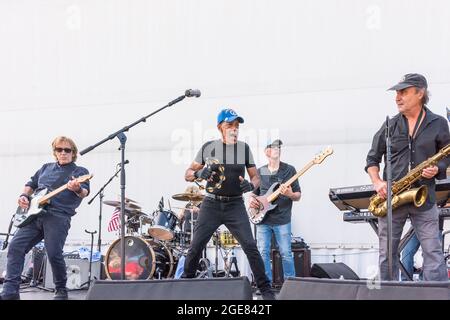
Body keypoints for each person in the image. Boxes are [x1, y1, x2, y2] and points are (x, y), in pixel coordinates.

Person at [181, 108, 275, 300]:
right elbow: (188, 173)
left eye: (237, 126)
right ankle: (185, 284)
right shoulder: (209, 147)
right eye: (230, 125)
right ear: (220, 127)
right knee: (196, 246)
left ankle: (266, 291)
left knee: (250, 246)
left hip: (235, 206)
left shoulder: (244, 149)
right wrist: (199, 174)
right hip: (211, 204)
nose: (234, 129)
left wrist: (251, 185)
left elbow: (255, 176)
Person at [365, 73, 450, 281]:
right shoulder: (389, 125)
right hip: (393, 198)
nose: (397, 97)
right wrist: (377, 182)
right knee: (387, 254)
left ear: (420, 93)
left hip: (424, 196)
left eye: (403, 92)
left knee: (433, 252)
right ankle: (387, 295)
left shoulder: (438, 123)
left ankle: (436, 294)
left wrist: (437, 168)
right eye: (396, 93)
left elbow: (446, 155)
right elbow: (372, 159)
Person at [0, 136, 90, 300]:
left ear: (73, 153)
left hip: (58, 216)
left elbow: (84, 192)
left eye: (67, 150)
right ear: (55, 152)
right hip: (34, 215)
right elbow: (31, 184)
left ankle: (61, 290)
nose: (63, 153)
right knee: (15, 246)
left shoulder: (79, 172)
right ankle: (10, 291)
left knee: (54, 253)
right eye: (59, 149)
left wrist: (77, 188)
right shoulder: (45, 168)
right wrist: (24, 196)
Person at [249, 139, 301, 285]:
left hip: (282, 219)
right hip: (263, 220)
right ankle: (266, 285)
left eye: (278, 147)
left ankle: (291, 285)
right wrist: (252, 200)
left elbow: (298, 195)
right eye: (273, 147)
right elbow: (253, 193)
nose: (277, 149)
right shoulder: (260, 171)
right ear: (267, 152)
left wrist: (290, 194)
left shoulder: (289, 170)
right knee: (262, 253)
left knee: (285, 254)